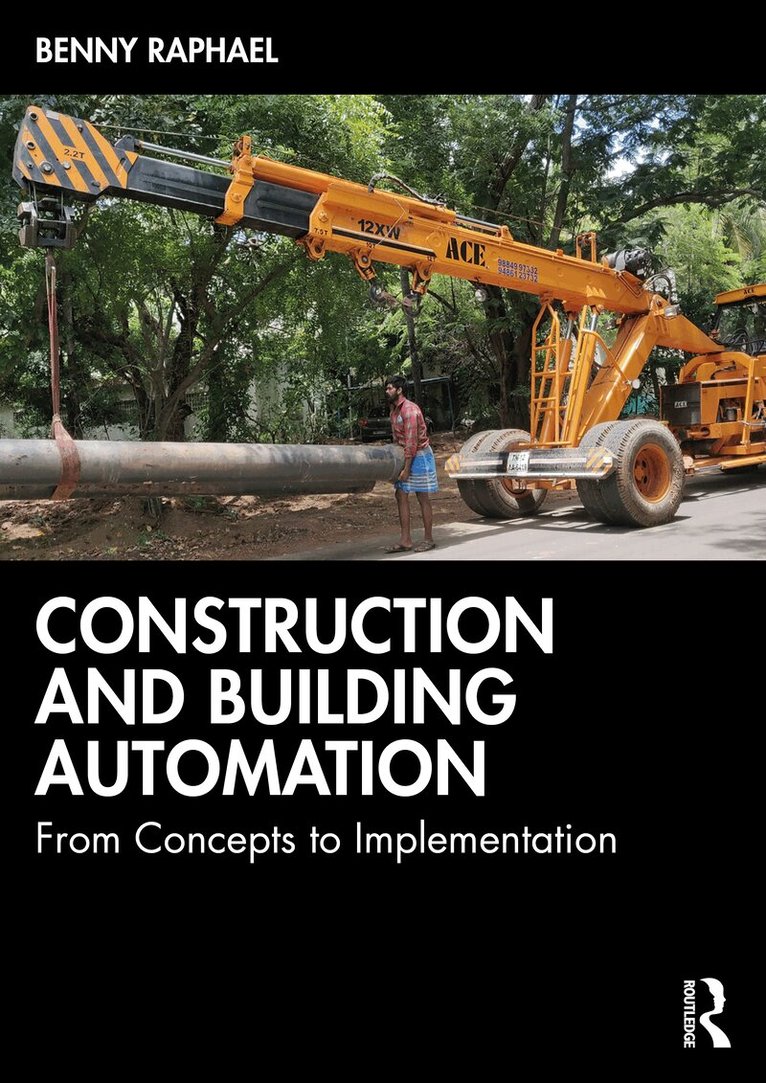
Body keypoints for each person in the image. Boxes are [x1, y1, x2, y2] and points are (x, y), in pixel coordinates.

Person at [384, 375, 438, 553]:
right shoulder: (394, 411)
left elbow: (412, 443)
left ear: (399, 390)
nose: (387, 391)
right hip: (405, 455)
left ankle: (428, 539)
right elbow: (397, 440)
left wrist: (406, 469)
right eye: (386, 388)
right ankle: (405, 540)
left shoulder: (409, 410)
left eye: (390, 388)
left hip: (420, 456)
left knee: (422, 497)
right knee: (400, 494)